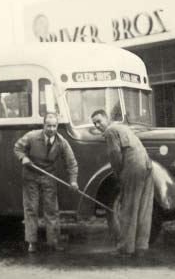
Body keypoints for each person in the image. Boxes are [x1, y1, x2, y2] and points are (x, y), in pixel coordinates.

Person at [90, 109, 154, 257]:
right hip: (147, 164)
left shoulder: (110, 131)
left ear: (107, 119)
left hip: (133, 166)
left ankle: (125, 248)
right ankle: (141, 247)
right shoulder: (122, 127)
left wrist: (119, 175)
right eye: (94, 123)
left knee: (128, 208)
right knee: (144, 208)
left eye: (99, 121)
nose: (98, 125)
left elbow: (115, 155)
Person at [14, 113, 79, 252]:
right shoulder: (31, 136)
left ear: (57, 127)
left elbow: (71, 163)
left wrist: (73, 181)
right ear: (43, 125)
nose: (51, 129)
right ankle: (31, 242)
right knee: (31, 209)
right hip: (30, 176)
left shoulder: (61, 142)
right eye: (48, 125)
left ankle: (53, 242)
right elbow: (18, 148)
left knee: (52, 210)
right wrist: (23, 158)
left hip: (49, 177)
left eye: (54, 126)